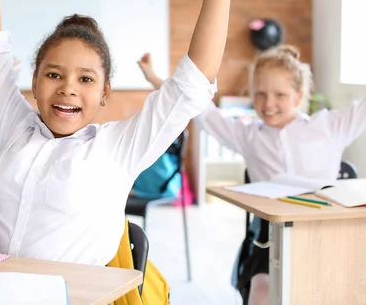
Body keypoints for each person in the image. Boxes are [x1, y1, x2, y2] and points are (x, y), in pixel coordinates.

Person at [0, 0, 240, 266]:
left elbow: (191, 84)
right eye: (53, 75)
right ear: (33, 82)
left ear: (106, 92)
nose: (68, 88)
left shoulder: (118, 149)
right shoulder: (15, 128)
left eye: (86, 79)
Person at [139, 44, 366, 304]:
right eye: (260, 94)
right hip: (271, 241)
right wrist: (154, 78)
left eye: (280, 95)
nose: (268, 104)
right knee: (261, 291)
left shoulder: (329, 126)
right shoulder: (248, 136)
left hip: (328, 239)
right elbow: (200, 110)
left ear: (299, 94)